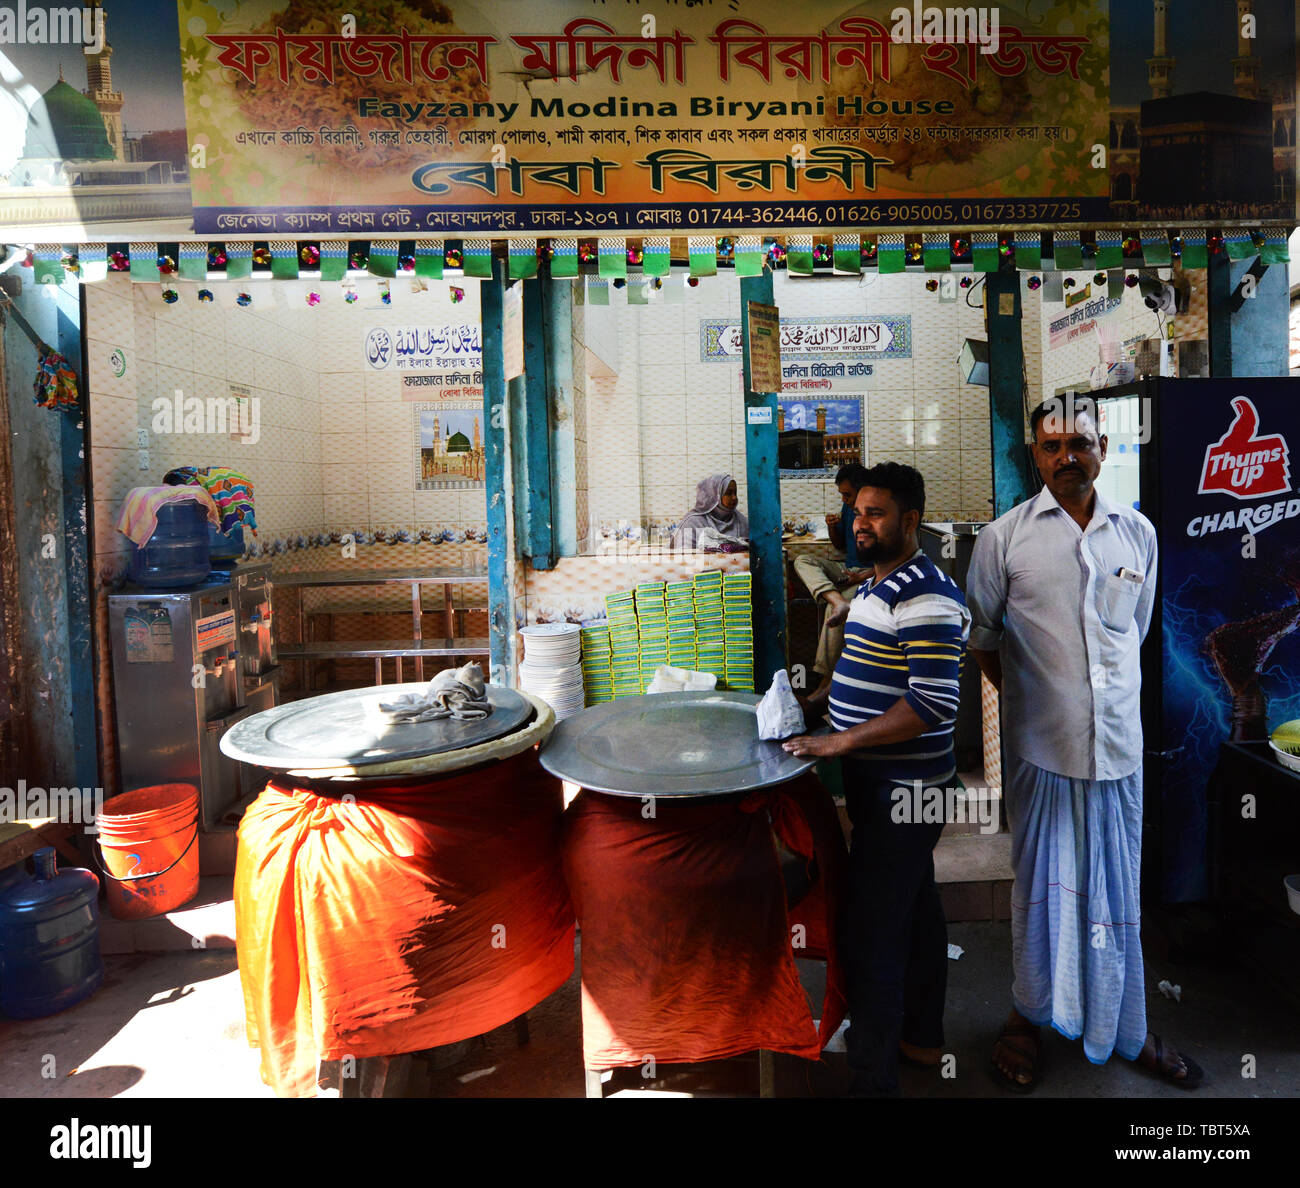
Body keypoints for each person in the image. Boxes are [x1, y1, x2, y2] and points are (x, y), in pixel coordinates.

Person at [966, 395, 1203, 1092]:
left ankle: (1124, 1026)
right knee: (1041, 892)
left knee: (1116, 891)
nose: (1067, 456)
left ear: (1105, 449)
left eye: (1081, 443)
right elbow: (983, 640)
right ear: (1034, 457)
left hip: (1120, 755)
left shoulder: (1138, 534)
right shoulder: (1004, 539)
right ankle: (1027, 1017)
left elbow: (1137, 633)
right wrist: (1036, 701)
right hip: (1043, 757)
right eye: (1051, 446)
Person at [781, 462, 970, 1097]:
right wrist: (815, 702)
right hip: (878, 783)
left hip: (908, 791)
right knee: (914, 908)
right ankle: (922, 1038)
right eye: (857, 512)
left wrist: (840, 740)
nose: (860, 524)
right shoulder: (874, 585)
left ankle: (872, 1077)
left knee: (873, 931)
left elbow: (933, 703)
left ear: (910, 520)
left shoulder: (929, 596)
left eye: (875, 514)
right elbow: (866, 670)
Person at [792, 464, 872, 704]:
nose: (845, 499)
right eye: (842, 495)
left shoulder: (873, 513)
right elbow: (840, 547)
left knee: (832, 613)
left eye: (847, 494)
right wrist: (831, 526)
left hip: (867, 576)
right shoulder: (849, 509)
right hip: (847, 570)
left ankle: (824, 685)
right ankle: (835, 598)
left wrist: (863, 576)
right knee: (802, 560)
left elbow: (890, 561)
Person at [669, 473, 748, 550]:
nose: (734, 497)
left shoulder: (741, 521)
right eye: (728, 493)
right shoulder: (693, 523)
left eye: (735, 492)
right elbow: (683, 557)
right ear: (715, 496)